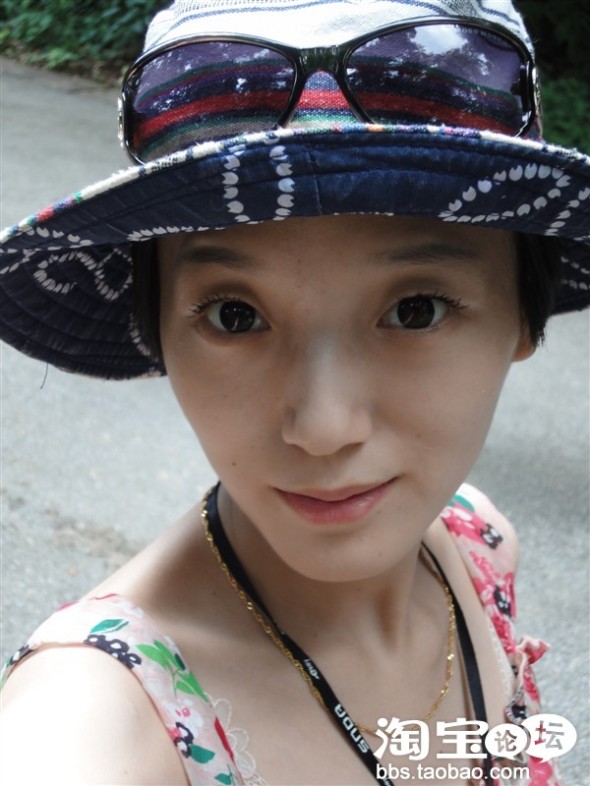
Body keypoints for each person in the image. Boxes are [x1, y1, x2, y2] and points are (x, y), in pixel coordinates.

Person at [0, 1, 588, 784]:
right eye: (234, 315)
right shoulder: (101, 718)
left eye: (416, 309)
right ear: (158, 329)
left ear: (524, 314)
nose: (323, 426)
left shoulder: (478, 547)